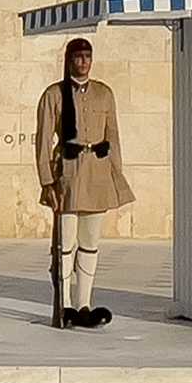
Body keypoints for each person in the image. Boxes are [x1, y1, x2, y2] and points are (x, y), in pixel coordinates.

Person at [34, 35, 132, 330]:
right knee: (65, 246)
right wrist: (47, 182)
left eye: (87, 56)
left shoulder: (104, 93)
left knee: (90, 244)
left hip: (98, 173)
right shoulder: (55, 94)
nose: (84, 62)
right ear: (69, 60)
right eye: (78, 56)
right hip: (69, 174)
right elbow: (42, 141)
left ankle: (83, 305)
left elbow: (112, 137)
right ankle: (63, 306)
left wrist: (116, 175)